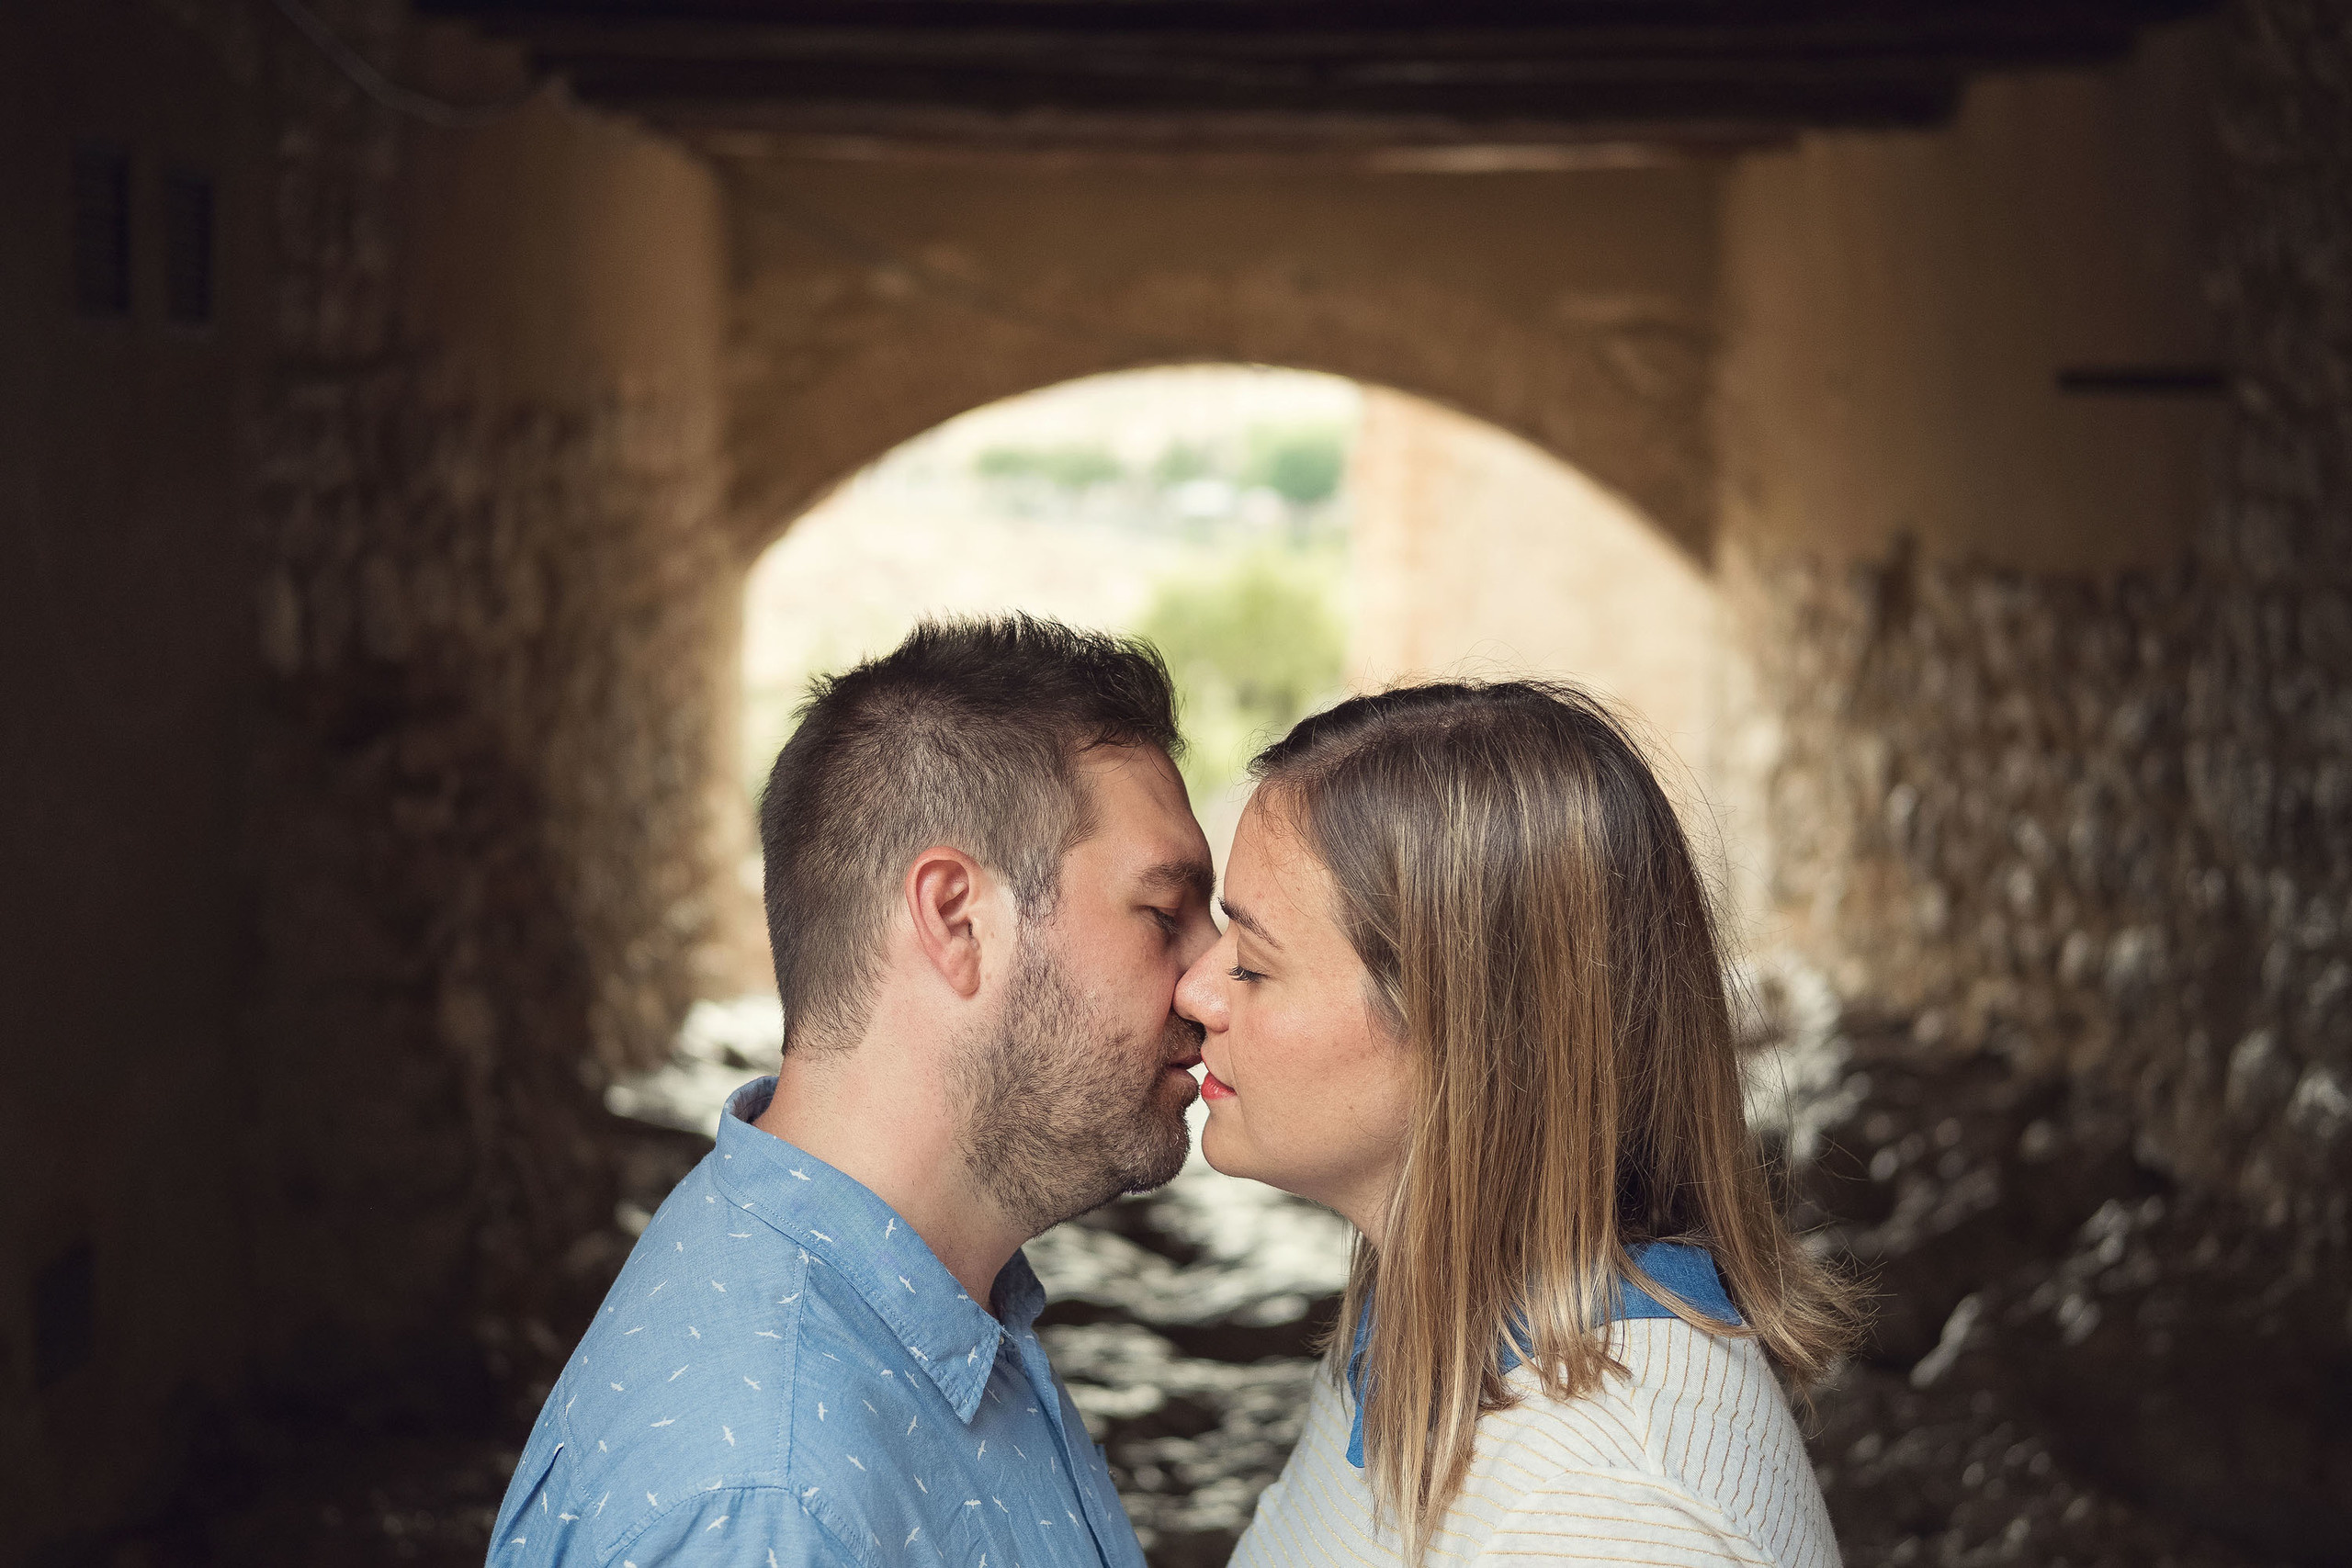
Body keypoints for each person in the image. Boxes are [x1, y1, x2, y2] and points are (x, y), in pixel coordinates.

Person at [487, 616, 1218, 1567]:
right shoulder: (771, 1505)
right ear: (957, 919)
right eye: (1165, 914)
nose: (1210, 981)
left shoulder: (930, 1307)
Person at [1178, 682, 1864, 1566]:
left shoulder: (1608, 1513)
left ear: (1468, 1030)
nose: (1196, 991)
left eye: (1255, 966)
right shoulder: (1430, 1332)